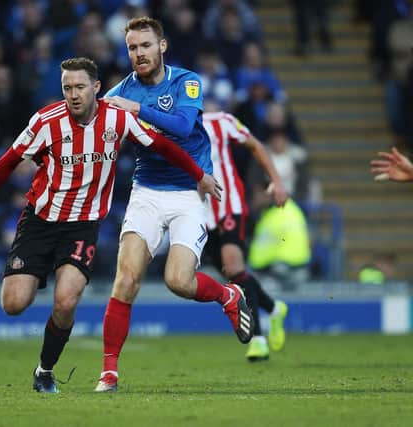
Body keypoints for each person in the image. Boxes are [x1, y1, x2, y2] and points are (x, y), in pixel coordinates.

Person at [0, 57, 221, 394]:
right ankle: (44, 345)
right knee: (13, 304)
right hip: (40, 222)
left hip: (82, 226)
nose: (73, 94)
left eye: (80, 87)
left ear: (96, 88)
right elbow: (8, 161)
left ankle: (45, 370)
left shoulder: (118, 119)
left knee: (66, 301)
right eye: (67, 88)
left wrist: (200, 176)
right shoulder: (45, 121)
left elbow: (162, 146)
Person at [95, 17, 253, 393]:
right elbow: (95, 124)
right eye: (132, 48)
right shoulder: (121, 90)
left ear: (161, 46)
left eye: (146, 46)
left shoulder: (187, 81)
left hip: (190, 193)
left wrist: (133, 109)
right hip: (146, 191)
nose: (139, 54)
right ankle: (109, 372)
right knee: (126, 278)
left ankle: (229, 294)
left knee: (177, 281)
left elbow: (183, 127)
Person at [202, 110, 289, 361]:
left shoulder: (220, 121)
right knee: (234, 276)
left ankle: (258, 339)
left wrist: (277, 181)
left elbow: (254, 144)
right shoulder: (172, 126)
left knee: (233, 266)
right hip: (199, 212)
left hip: (229, 204)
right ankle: (274, 308)